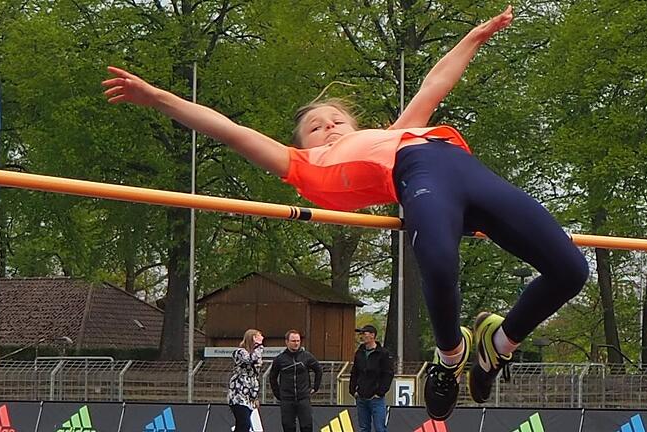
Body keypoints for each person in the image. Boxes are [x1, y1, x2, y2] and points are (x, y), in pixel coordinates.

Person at [102, 4, 589, 420]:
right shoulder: (299, 164)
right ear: (300, 145)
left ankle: (496, 347)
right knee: (439, 263)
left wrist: (474, 37)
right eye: (316, 127)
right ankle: (450, 356)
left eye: (337, 120)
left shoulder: (393, 131)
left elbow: (434, 84)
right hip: (417, 176)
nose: (330, 127)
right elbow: (227, 129)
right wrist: (158, 97)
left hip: (458, 165)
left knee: (571, 269)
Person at [269, 330, 322, 432]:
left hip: (303, 398)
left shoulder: (306, 356)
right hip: (287, 399)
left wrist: (315, 387)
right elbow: (272, 377)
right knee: (288, 426)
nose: (296, 343)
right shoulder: (280, 359)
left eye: (298, 341)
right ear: (287, 342)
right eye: (293, 341)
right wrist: (278, 394)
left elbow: (318, 370)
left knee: (306, 425)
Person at [349, 325, 394, 432]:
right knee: (364, 428)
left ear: (372, 335)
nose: (362, 336)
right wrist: (353, 390)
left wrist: (380, 392)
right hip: (361, 397)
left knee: (380, 428)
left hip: (376, 398)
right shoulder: (359, 353)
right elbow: (355, 372)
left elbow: (388, 374)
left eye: (364, 334)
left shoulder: (383, 354)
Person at [228, 329, 264, 432]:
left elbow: (255, 375)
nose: (262, 338)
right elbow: (250, 360)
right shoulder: (239, 352)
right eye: (259, 336)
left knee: (243, 425)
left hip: (249, 395)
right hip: (238, 393)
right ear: (253, 338)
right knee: (244, 422)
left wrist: (255, 396)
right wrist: (258, 347)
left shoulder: (257, 353)